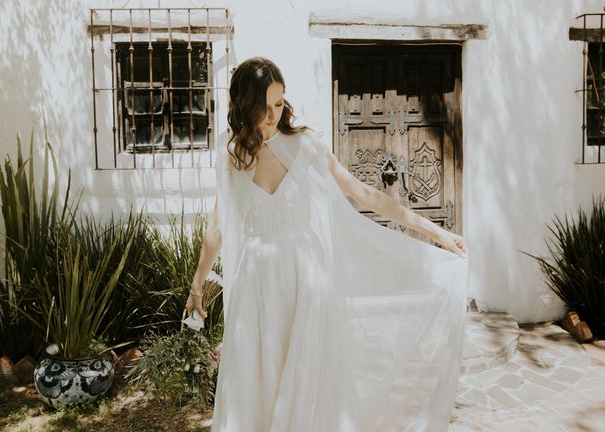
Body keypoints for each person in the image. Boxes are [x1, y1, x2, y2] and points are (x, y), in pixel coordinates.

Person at [187, 56, 469, 431]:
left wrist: (437, 233)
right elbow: (216, 230)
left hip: (306, 282)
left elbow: (366, 195)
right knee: (256, 382)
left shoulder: (305, 145)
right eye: (263, 106)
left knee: (309, 386)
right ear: (243, 104)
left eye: (278, 104)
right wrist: (196, 287)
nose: (272, 115)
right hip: (256, 285)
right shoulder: (231, 154)